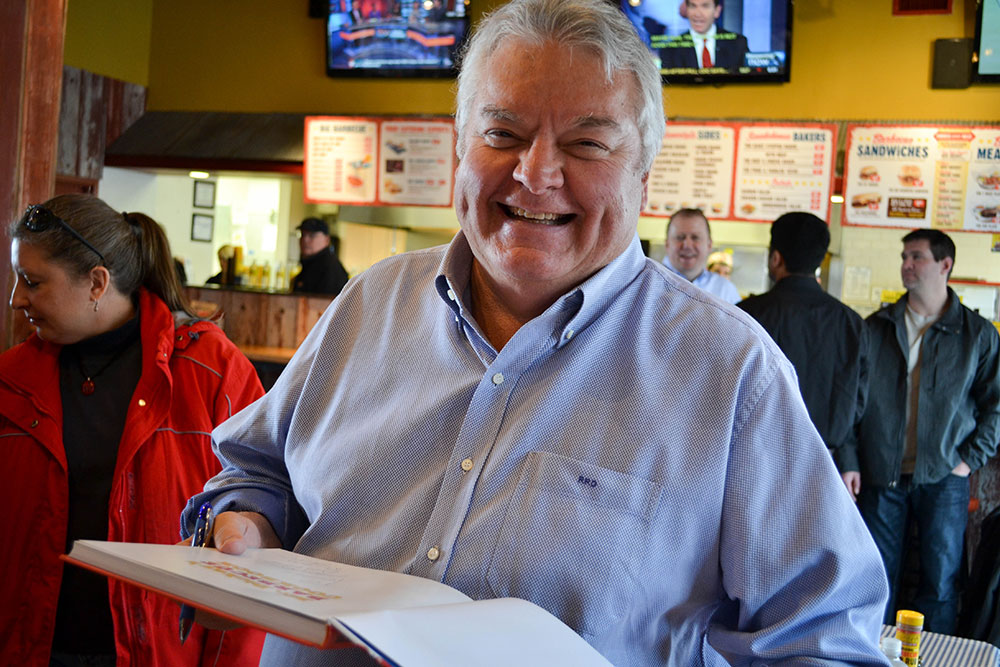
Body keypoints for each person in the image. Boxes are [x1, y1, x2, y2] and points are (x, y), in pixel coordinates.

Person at [181, 1, 889, 664]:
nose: (535, 173)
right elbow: (255, 469)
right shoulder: (370, 303)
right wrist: (240, 521)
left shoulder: (731, 374)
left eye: (586, 143)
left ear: (644, 173)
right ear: (461, 146)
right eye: (503, 134)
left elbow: (825, 639)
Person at [0, 195, 267, 666]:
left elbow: (255, 535)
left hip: (160, 653)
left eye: (33, 282)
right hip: (29, 647)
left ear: (97, 283)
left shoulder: (213, 374)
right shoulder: (12, 378)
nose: (16, 299)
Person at [838, 228, 1000, 633]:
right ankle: (872, 657)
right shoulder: (875, 328)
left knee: (940, 585)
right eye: (904, 257)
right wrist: (851, 459)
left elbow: (996, 406)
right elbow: (851, 404)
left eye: (917, 257)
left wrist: (967, 462)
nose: (906, 265)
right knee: (875, 580)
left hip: (945, 477)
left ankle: (934, 659)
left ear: (945, 265)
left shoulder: (977, 334)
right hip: (881, 476)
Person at [738, 212, 868, 456]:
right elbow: (858, 403)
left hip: (757, 456)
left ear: (776, 258)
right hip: (825, 459)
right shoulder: (851, 323)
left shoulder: (746, 315)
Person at [662, 208, 741, 303]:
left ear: (709, 245)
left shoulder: (725, 290)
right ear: (667, 244)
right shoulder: (648, 284)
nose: (687, 245)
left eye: (695, 238)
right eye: (680, 237)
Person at [659, 0, 749, 72]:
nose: (698, 14)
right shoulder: (670, 50)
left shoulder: (737, 44)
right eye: (693, 6)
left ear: (717, 11)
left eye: (705, 6)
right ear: (687, 10)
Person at [292, 217, 350, 296]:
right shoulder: (310, 264)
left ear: (327, 240)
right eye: (302, 234)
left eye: (312, 235)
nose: (305, 240)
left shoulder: (329, 267)